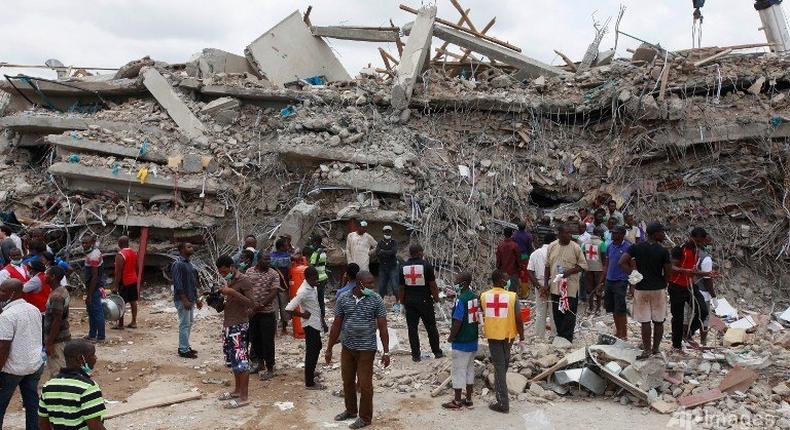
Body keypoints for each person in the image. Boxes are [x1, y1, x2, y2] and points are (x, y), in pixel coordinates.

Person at [326, 271, 389, 429]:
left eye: (372, 283)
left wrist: (386, 352)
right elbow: (336, 324)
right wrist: (329, 348)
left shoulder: (376, 300)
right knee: (347, 381)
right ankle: (351, 410)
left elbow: (383, 327)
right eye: (369, 284)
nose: (372, 287)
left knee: (365, 384)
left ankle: (365, 417)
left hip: (367, 349)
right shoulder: (344, 298)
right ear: (359, 283)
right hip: (347, 347)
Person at [620, 222, 671, 358]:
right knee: (659, 321)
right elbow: (668, 273)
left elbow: (622, 262)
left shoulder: (635, 247)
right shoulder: (663, 251)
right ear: (655, 234)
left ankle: (647, 350)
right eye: (662, 232)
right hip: (658, 288)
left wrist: (633, 275)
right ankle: (656, 349)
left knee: (645, 322)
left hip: (641, 288)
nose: (664, 234)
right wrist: (664, 284)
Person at [0, 279, 44, 430]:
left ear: (12, 294)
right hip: (34, 364)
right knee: (32, 403)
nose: (0, 294)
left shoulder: (7, 316)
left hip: (13, 368)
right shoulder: (34, 309)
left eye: (2, 291)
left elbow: (3, 347)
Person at [481, 270, 524, 414]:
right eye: (506, 279)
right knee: (502, 367)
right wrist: (522, 336)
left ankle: (502, 401)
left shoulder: (484, 296)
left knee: (500, 368)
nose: (508, 281)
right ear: (499, 280)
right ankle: (503, 401)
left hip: (494, 336)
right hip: (508, 336)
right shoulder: (512, 297)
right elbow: (519, 319)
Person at [38, 339, 106, 430]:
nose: (95, 358)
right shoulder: (88, 388)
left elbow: (43, 423)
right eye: (92, 355)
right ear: (81, 358)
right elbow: (96, 427)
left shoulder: (48, 386)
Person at [215, 256, 255, 408]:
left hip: (239, 325)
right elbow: (230, 303)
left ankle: (244, 397)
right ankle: (237, 391)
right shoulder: (229, 280)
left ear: (231, 267)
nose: (223, 274)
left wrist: (231, 292)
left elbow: (252, 303)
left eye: (224, 271)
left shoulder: (244, 280)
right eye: (221, 272)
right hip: (229, 325)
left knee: (242, 361)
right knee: (234, 361)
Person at [669, 227, 710, 354]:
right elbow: (671, 266)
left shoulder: (696, 250)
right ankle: (676, 346)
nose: (700, 244)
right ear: (691, 238)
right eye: (698, 242)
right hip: (677, 287)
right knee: (678, 317)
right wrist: (685, 271)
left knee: (703, 311)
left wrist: (707, 273)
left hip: (690, 286)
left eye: (701, 242)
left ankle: (688, 334)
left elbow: (693, 270)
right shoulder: (680, 249)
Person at [399, 243, 442, 362]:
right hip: (424, 300)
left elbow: (401, 288)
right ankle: (437, 352)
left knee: (412, 328)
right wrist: (437, 300)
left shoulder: (403, 267)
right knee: (431, 327)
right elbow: (433, 286)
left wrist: (402, 303)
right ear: (419, 252)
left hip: (409, 301)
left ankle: (416, 355)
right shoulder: (426, 265)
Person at [442, 272, 479, 410]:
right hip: (473, 340)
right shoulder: (474, 297)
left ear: (463, 283)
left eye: (457, 281)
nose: (455, 283)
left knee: (458, 371)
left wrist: (451, 337)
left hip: (461, 341)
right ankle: (468, 398)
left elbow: (458, 321)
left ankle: (457, 401)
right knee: (470, 370)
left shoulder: (460, 300)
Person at [544, 224, 587, 343]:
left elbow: (583, 266)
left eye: (570, 233)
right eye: (567, 233)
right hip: (555, 286)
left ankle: (568, 337)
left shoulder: (576, 247)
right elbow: (547, 266)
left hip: (570, 286)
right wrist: (545, 284)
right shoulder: (552, 246)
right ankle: (560, 335)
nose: (570, 235)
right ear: (559, 234)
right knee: (557, 311)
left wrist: (570, 272)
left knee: (569, 311)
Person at [285, 266, 325, 390]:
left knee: (317, 347)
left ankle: (311, 371)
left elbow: (316, 306)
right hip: (310, 324)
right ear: (307, 278)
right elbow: (288, 309)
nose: (316, 281)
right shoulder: (303, 291)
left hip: (316, 322)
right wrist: (302, 314)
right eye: (313, 279)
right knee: (312, 351)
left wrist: (323, 321)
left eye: (316, 279)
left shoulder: (312, 287)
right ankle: (309, 382)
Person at [245, 253, 280, 379]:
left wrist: (259, 306)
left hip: (267, 313)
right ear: (258, 260)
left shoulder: (273, 274)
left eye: (269, 259)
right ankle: (259, 363)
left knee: (268, 341)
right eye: (266, 259)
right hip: (253, 313)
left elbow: (274, 292)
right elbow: (246, 289)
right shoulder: (249, 272)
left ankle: (270, 367)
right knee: (255, 339)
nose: (268, 261)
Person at [171, 242, 202, 358]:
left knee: (189, 323)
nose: (191, 248)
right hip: (183, 299)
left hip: (190, 298)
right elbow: (177, 284)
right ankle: (183, 350)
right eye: (189, 247)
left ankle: (185, 346)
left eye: (191, 246)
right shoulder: (178, 264)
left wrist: (197, 299)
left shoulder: (189, 264)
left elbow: (192, 284)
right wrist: (184, 300)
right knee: (184, 324)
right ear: (182, 250)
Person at [601, 225, 632, 339]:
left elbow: (632, 265)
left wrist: (632, 282)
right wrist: (602, 280)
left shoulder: (628, 247)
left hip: (621, 281)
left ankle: (624, 334)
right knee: (613, 308)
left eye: (615, 233)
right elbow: (607, 264)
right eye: (612, 233)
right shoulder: (609, 247)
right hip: (610, 280)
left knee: (620, 308)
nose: (613, 235)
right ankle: (618, 331)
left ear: (622, 235)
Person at [42, 267, 70, 381]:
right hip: (62, 336)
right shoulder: (62, 290)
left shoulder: (56, 296)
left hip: (57, 339)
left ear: (53, 277)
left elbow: (56, 320)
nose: (44, 276)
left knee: (58, 372)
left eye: (46, 274)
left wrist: (49, 343)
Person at [528, 232, 557, 338]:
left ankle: (539, 336)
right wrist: (548, 286)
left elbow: (530, 271)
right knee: (553, 311)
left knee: (540, 311)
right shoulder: (555, 253)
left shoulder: (535, 254)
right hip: (553, 283)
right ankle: (554, 334)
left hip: (539, 283)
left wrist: (539, 287)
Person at [110, 236, 139, 330]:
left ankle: (120, 324)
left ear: (119, 243)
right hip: (133, 279)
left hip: (125, 281)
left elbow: (118, 272)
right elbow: (136, 266)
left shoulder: (120, 255)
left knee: (121, 302)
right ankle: (134, 321)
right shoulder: (134, 253)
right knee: (133, 301)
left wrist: (115, 286)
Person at [81, 235, 105, 343]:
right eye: (83, 243)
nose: (84, 245)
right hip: (92, 287)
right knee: (92, 312)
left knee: (97, 312)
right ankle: (92, 334)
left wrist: (89, 294)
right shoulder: (94, 252)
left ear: (92, 243)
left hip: (93, 288)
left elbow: (94, 277)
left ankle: (100, 337)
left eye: (86, 243)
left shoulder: (93, 256)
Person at [695, 236, 716, 346]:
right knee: (704, 319)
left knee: (687, 317)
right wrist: (713, 296)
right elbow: (708, 280)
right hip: (703, 292)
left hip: (689, 289)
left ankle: (685, 339)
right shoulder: (706, 258)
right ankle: (703, 342)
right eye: (709, 242)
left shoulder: (692, 253)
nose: (710, 245)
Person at [375, 226, 401, 312]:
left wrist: (383, 252)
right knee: (382, 286)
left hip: (393, 267)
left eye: (389, 232)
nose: (387, 233)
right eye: (386, 232)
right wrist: (387, 252)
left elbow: (394, 252)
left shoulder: (394, 242)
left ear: (391, 233)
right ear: (383, 232)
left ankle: (397, 304)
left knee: (395, 286)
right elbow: (377, 252)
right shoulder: (380, 243)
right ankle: (380, 305)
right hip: (383, 267)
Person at [581, 227, 606, 316]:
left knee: (589, 288)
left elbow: (583, 257)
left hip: (588, 269)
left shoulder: (585, 243)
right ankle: (598, 308)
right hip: (599, 269)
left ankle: (590, 307)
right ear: (599, 234)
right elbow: (604, 259)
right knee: (599, 288)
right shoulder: (602, 244)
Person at [307, 234, 330, 331]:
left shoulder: (316, 253)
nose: (311, 244)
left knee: (315, 302)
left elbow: (311, 267)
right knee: (321, 301)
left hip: (317, 281)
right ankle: (322, 319)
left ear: (316, 242)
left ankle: (320, 322)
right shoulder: (323, 252)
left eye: (312, 242)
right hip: (323, 278)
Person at [269, 238, 292, 335]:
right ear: (282, 247)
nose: (288, 247)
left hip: (272, 286)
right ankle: (284, 328)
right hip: (283, 285)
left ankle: (274, 331)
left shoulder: (270, 256)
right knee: (285, 306)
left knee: (274, 308)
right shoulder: (287, 257)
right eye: (286, 245)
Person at [496, 227, 521, 292]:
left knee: (503, 292)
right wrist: (520, 268)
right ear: (512, 234)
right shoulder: (515, 245)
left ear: (504, 234)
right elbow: (518, 259)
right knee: (512, 292)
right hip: (513, 272)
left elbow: (498, 260)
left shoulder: (500, 245)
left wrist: (499, 269)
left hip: (503, 272)